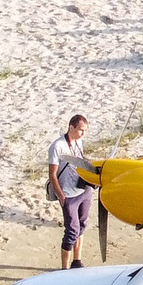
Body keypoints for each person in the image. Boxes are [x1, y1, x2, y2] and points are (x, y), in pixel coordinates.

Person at [47, 114, 92, 270]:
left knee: (82, 226)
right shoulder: (57, 146)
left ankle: (77, 261)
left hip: (83, 190)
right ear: (71, 127)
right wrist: (61, 197)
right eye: (80, 130)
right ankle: (64, 269)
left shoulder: (79, 141)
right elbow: (52, 174)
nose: (82, 134)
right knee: (72, 231)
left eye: (84, 130)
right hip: (69, 195)